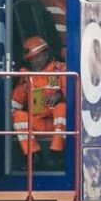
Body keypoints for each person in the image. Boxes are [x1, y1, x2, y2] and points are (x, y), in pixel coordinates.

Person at [11, 36, 68, 168]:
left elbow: (74, 91)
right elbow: (14, 103)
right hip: (38, 124)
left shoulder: (60, 69)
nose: (34, 61)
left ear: (46, 54)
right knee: (18, 116)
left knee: (62, 107)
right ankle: (34, 156)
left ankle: (56, 154)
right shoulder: (28, 78)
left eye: (37, 57)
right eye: (31, 59)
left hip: (59, 125)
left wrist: (60, 94)